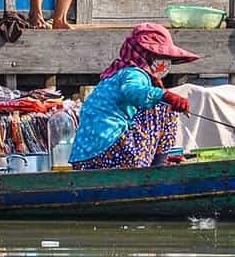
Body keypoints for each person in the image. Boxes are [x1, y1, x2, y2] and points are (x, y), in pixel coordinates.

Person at [70, 24, 197, 170]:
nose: (165, 63)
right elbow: (132, 91)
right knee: (165, 108)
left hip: (84, 158)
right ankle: (159, 166)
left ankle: (160, 160)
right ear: (146, 55)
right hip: (111, 151)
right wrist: (167, 96)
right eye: (161, 57)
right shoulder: (134, 73)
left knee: (157, 102)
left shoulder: (115, 75)